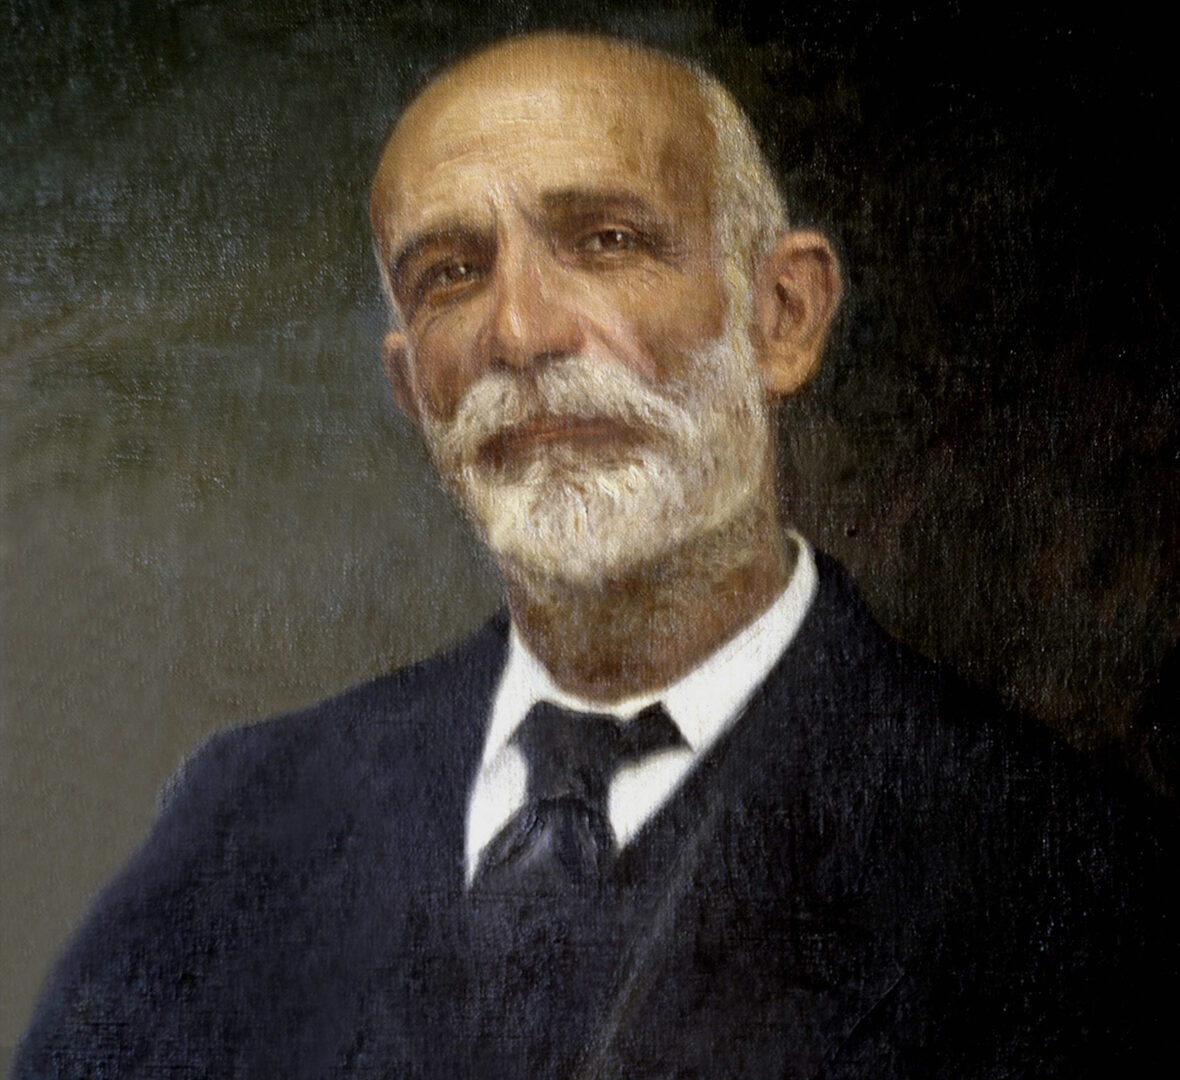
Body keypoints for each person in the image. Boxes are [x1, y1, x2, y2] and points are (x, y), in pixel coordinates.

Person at [12, 31, 1171, 1079]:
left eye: (606, 242)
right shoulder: (249, 816)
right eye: (450, 273)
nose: (520, 332)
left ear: (783, 316)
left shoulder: (1064, 867)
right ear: (412, 389)